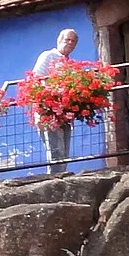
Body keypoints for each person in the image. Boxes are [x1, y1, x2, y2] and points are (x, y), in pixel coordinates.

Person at [34, 29, 80, 175]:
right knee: (55, 150)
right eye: (68, 40)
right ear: (59, 40)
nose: (70, 43)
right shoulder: (48, 55)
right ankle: (54, 180)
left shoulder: (69, 63)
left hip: (65, 112)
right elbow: (36, 79)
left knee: (64, 150)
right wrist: (50, 96)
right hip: (48, 110)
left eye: (73, 41)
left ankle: (61, 178)